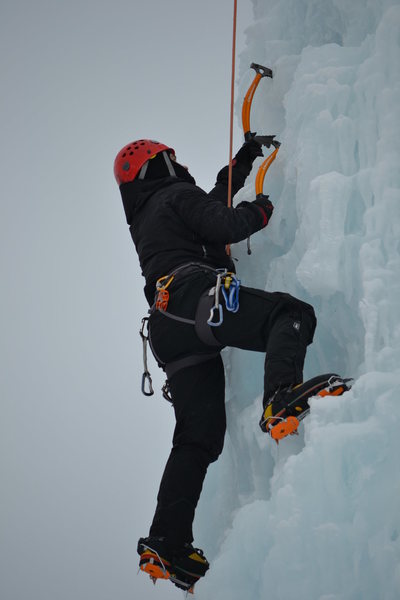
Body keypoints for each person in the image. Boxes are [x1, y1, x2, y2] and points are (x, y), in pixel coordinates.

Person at [114, 138, 317, 591]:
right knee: (291, 314)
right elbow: (223, 221)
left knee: (198, 439)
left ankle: (167, 540)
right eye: (173, 159)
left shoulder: (152, 213)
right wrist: (260, 212)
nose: (181, 164)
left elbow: (215, 198)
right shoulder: (175, 197)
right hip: (195, 300)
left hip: (170, 328)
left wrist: (244, 160)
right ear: (161, 164)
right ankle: (281, 396)